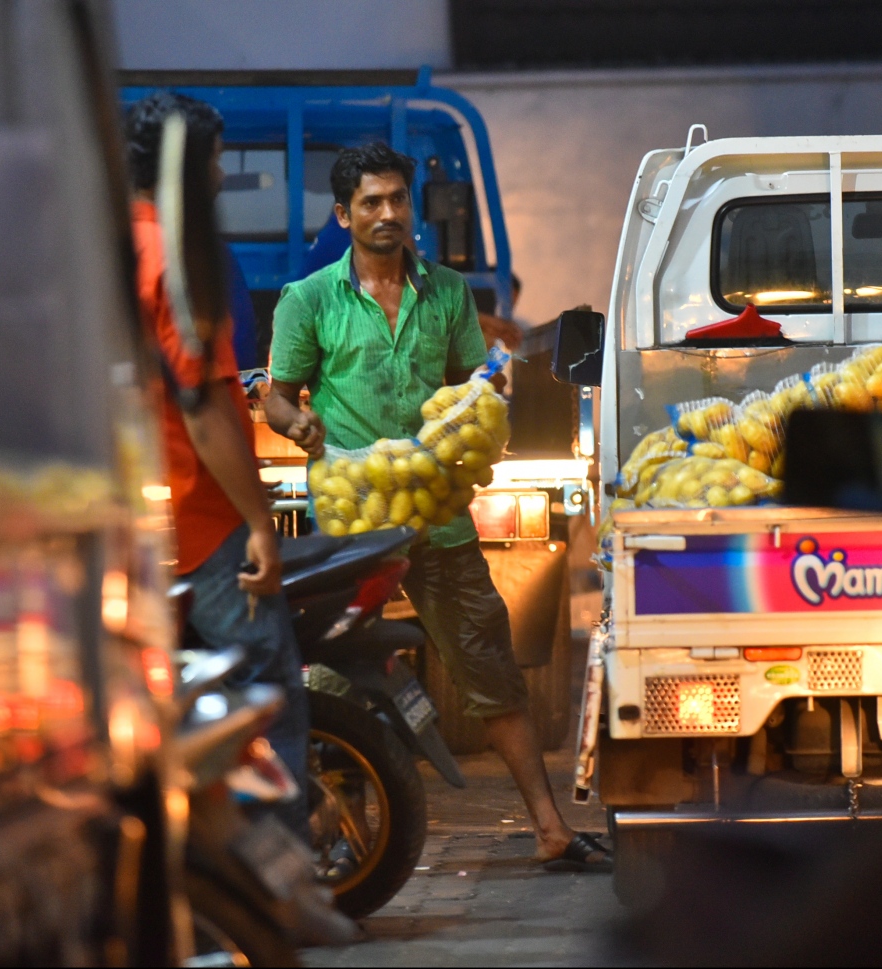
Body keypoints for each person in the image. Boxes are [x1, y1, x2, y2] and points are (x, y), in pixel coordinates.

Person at [265, 141, 610, 871]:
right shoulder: (309, 299)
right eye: (371, 203)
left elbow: (464, 393)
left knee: (490, 669)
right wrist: (296, 423)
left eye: (397, 200)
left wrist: (482, 422)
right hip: (353, 525)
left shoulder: (450, 295)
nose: (388, 213)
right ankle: (339, 839)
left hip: (439, 517)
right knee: (331, 677)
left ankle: (550, 827)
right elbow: (275, 391)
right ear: (343, 215)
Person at [126, 91, 309, 836]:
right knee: (270, 693)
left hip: (140, 521)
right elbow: (204, 412)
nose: (220, 173)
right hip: (201, 519)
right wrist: (261, 524)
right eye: (215, 159)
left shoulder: (110, 250)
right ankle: (284, 878)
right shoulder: (177, 260)